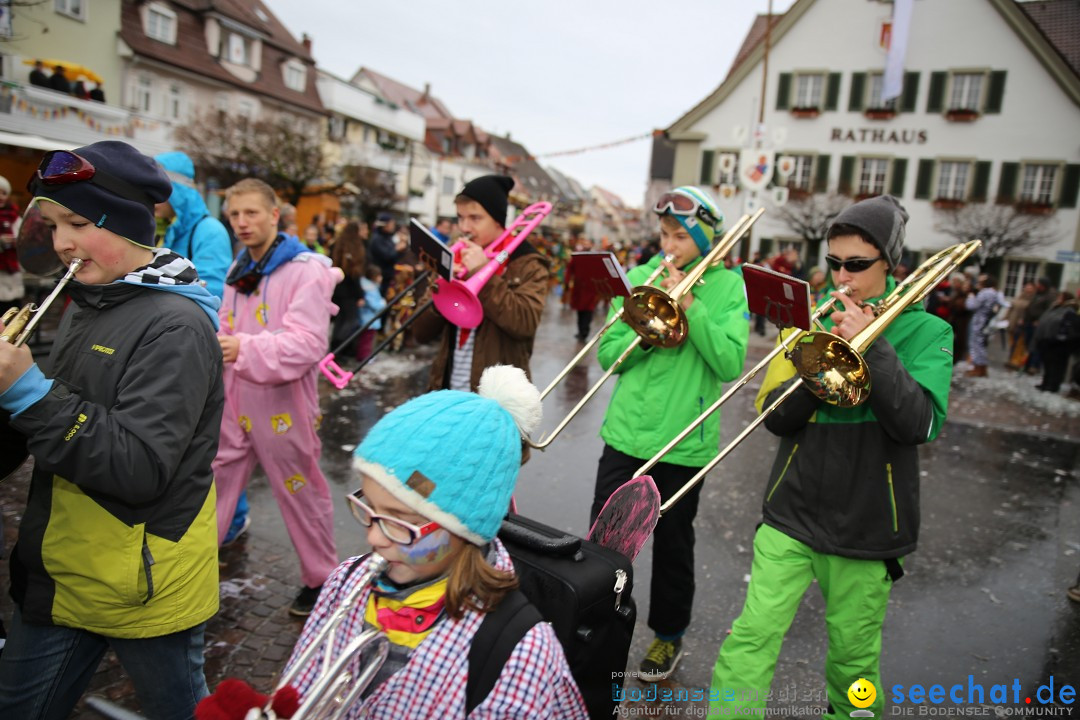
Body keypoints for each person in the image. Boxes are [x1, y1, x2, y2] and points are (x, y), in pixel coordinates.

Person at [197, 366, 587, 719]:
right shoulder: (346, 582)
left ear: (465, 528)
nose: (371, 536)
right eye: (370, 509)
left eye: (401, 522)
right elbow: (305, 687)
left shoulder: (522, 656)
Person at [0, 141, 224, 719]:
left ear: (127, 225)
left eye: (77, 222)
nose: (61, 243)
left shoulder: (175, 325)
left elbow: (139, 466)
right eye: (52, 225)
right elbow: (59, 421)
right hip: (64, 568)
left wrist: (29, 390)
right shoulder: (91, 299)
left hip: (142, 581)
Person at [709, 194, 954, 718]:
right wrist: (818, 362)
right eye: (834, 263)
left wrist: (874, 348)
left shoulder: (929, 332)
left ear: (891, 265)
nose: (842, 276)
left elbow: (919, 424)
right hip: (790, 513)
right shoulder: (808, 320)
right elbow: (775, 417)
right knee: (749, 640)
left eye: (858, 265)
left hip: (868, 525)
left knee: (854, 668)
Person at [591, 186, 748, 681]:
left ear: (704, 239)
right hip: (626, 433)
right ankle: (598, 622)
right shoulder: (641, 277)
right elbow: (605, 354)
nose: (669, 245)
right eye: (664, 234)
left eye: (681, 236)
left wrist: (693, 308)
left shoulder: (728, 288)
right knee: (605, 540)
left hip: (685, 440)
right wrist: (648, 330)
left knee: (674, 544)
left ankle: (666, 636)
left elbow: (729, 362)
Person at [213, 178, 341, 617]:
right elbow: (227, 323)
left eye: (251, 213)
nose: (242, 223)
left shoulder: (306, 270)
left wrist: (243, 348)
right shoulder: (238, 268)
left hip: (283, 402)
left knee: (299, 489)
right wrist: (220, 342)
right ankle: (186, 571)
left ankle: (322, 579)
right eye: (234, 215)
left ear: (274, 214)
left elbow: (308, 344)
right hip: (234, 396)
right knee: (211, 482)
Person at [412, 175, 550, 392]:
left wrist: (482, 275)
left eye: (475, 218)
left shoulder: (528, 263)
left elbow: (525, 323)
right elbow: (420, 332)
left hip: (499, 398)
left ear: (497, 219)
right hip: (447, 391)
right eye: (460, 217)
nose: (465, 227)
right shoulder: (454, 256)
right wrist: (443, 287)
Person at [154, 152, 233, 299]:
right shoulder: (162, 227)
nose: (153, 197)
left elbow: (210, 292)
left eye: (159, 189)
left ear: (177, 191)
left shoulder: (210, 231)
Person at [1034, 291, 1079, 393]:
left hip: (1059, 343)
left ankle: (1053, 385)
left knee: (1056, 365)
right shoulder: (1056, 308)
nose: (1057, 299)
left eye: (1060, 297)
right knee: (1048, 364)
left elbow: (1064, 325)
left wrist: (1059, 337)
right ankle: (1046, 383)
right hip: (1049, 340)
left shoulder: (1069, 310)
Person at [964, 273, 1006, 377]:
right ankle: (981, 368)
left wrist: (970, 297)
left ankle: (977, 367)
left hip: (979, 321)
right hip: (986, 321)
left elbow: (972, 306)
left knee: (976, 345)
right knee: (981, 344)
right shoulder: (995, 293)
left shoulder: (984, 293)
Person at [1022, 277, 1055, 375]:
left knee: (1035, 346)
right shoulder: (1037, 294)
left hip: (1038, 324)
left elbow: (1048, 311)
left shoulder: (1049, 296)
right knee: (1028, 344)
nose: (1037, 286)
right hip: (1029, 322)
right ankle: (1027, 364)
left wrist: (1039, 321)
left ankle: (1034, 366)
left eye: (1039, 284)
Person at [0, 176, 23, 314]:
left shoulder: (15, 217)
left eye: (4, 193)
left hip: (13, 277)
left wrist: (16, 242)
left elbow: (26, 239)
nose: (1, 196)